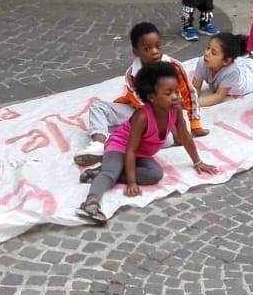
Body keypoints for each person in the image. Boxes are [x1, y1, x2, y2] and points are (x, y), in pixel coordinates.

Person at [73, 60, 216, 226]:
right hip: (120, 147)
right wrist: (132, 182)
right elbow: (130, 150)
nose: (176, 96)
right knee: (110, 175)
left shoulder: (175, 110)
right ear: (152, 97)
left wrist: (198, 162)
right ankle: (90, 203)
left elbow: (184, 136)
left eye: (176, 91)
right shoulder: (142, 116)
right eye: (168, 93)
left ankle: (99, 173)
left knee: (155, 174)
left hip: (141, 153)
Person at [73, 21, 205, 170]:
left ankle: (117, 149)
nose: (155, 51)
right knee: (98, 107)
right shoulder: (132, 74)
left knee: (165, 139)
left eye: (158, 46)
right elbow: (139, 102)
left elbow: (189, 93)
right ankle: (99, 143)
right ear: (136, 52)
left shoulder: (174, 67)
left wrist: (194, 124)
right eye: (147, 48)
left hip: (165, 122)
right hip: (141, 114)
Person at [193, 32, 253, 107]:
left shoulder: (231, 72)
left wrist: (195, 104)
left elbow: (219, 95)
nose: (207, 53)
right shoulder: (202, 62)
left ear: (226, 61)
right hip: (245, 65)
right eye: (208, 48)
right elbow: (196, 87)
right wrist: (188, 99)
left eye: (213, 53)